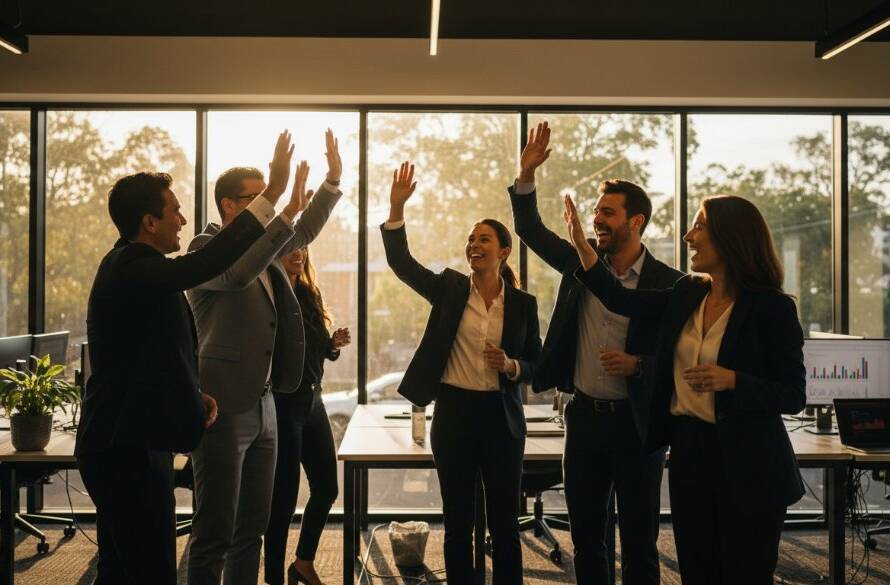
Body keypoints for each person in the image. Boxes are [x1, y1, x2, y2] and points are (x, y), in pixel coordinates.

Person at [74, 131, 296, 585]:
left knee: (122, 569)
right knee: (149, 570)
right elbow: (209, 262)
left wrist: (192, 394)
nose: (182, 218)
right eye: (173, 210)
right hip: (123, 446)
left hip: (133, 439)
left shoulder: (141, 271)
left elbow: (153, 353)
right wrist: (272, 194)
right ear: (149, 222)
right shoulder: (132, 266)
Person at [564, 192, 807, 585]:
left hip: (749, 465)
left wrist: (734, 380)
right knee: (697, 571)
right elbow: (619, 298)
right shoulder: (688, 291)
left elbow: (794, 394)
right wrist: (581, 246)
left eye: (698, 226)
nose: (687, 236)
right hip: (691, 452)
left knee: (744, 573)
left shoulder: (772, 308)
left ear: (729, 237)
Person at [508, 121, 683, 585]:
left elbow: (680, 357)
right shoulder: (578, 262)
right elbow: (528, 227)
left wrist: (639, 365)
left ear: (636, 221)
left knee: (642, 541)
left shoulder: (670, 282)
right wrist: (525, 175)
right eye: (595, 212)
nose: (597, 220)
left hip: (638, 424)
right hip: (583, 420)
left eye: (607, 212)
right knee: (588, 540)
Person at [185, 130, 343, 585]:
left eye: (264, 198)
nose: (264, 207)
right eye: (255, 199)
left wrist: (331, 183)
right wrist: (281, 203)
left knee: (252, 531)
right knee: (215, 531)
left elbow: (302, 232)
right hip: (221, 405)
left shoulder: (265, 249)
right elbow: (237, 275)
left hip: (267, 402)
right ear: (228, 205)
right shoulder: (204, 248)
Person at [381, 161, 542, 585]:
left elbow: (537, 365)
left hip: (501, 419)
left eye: (484, 239)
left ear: (503, 251)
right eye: (470, 239)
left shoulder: (523, 305)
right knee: (457, 524)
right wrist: (396, 209)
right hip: (454, 414)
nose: (474, 244)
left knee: (505, 526)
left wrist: (511, 365)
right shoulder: (450, 289)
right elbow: (402, 263)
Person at [264, 246, 350, 585]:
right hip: (285, 405)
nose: (296, 253)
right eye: (287, 248)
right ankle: (273, 578)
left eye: (301, 247)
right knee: (282, 501)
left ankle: (302, 562)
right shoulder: (271, 296)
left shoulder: (308, 293)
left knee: (327, 488)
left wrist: (331, 345)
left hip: (314, 402)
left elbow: (314, 350)